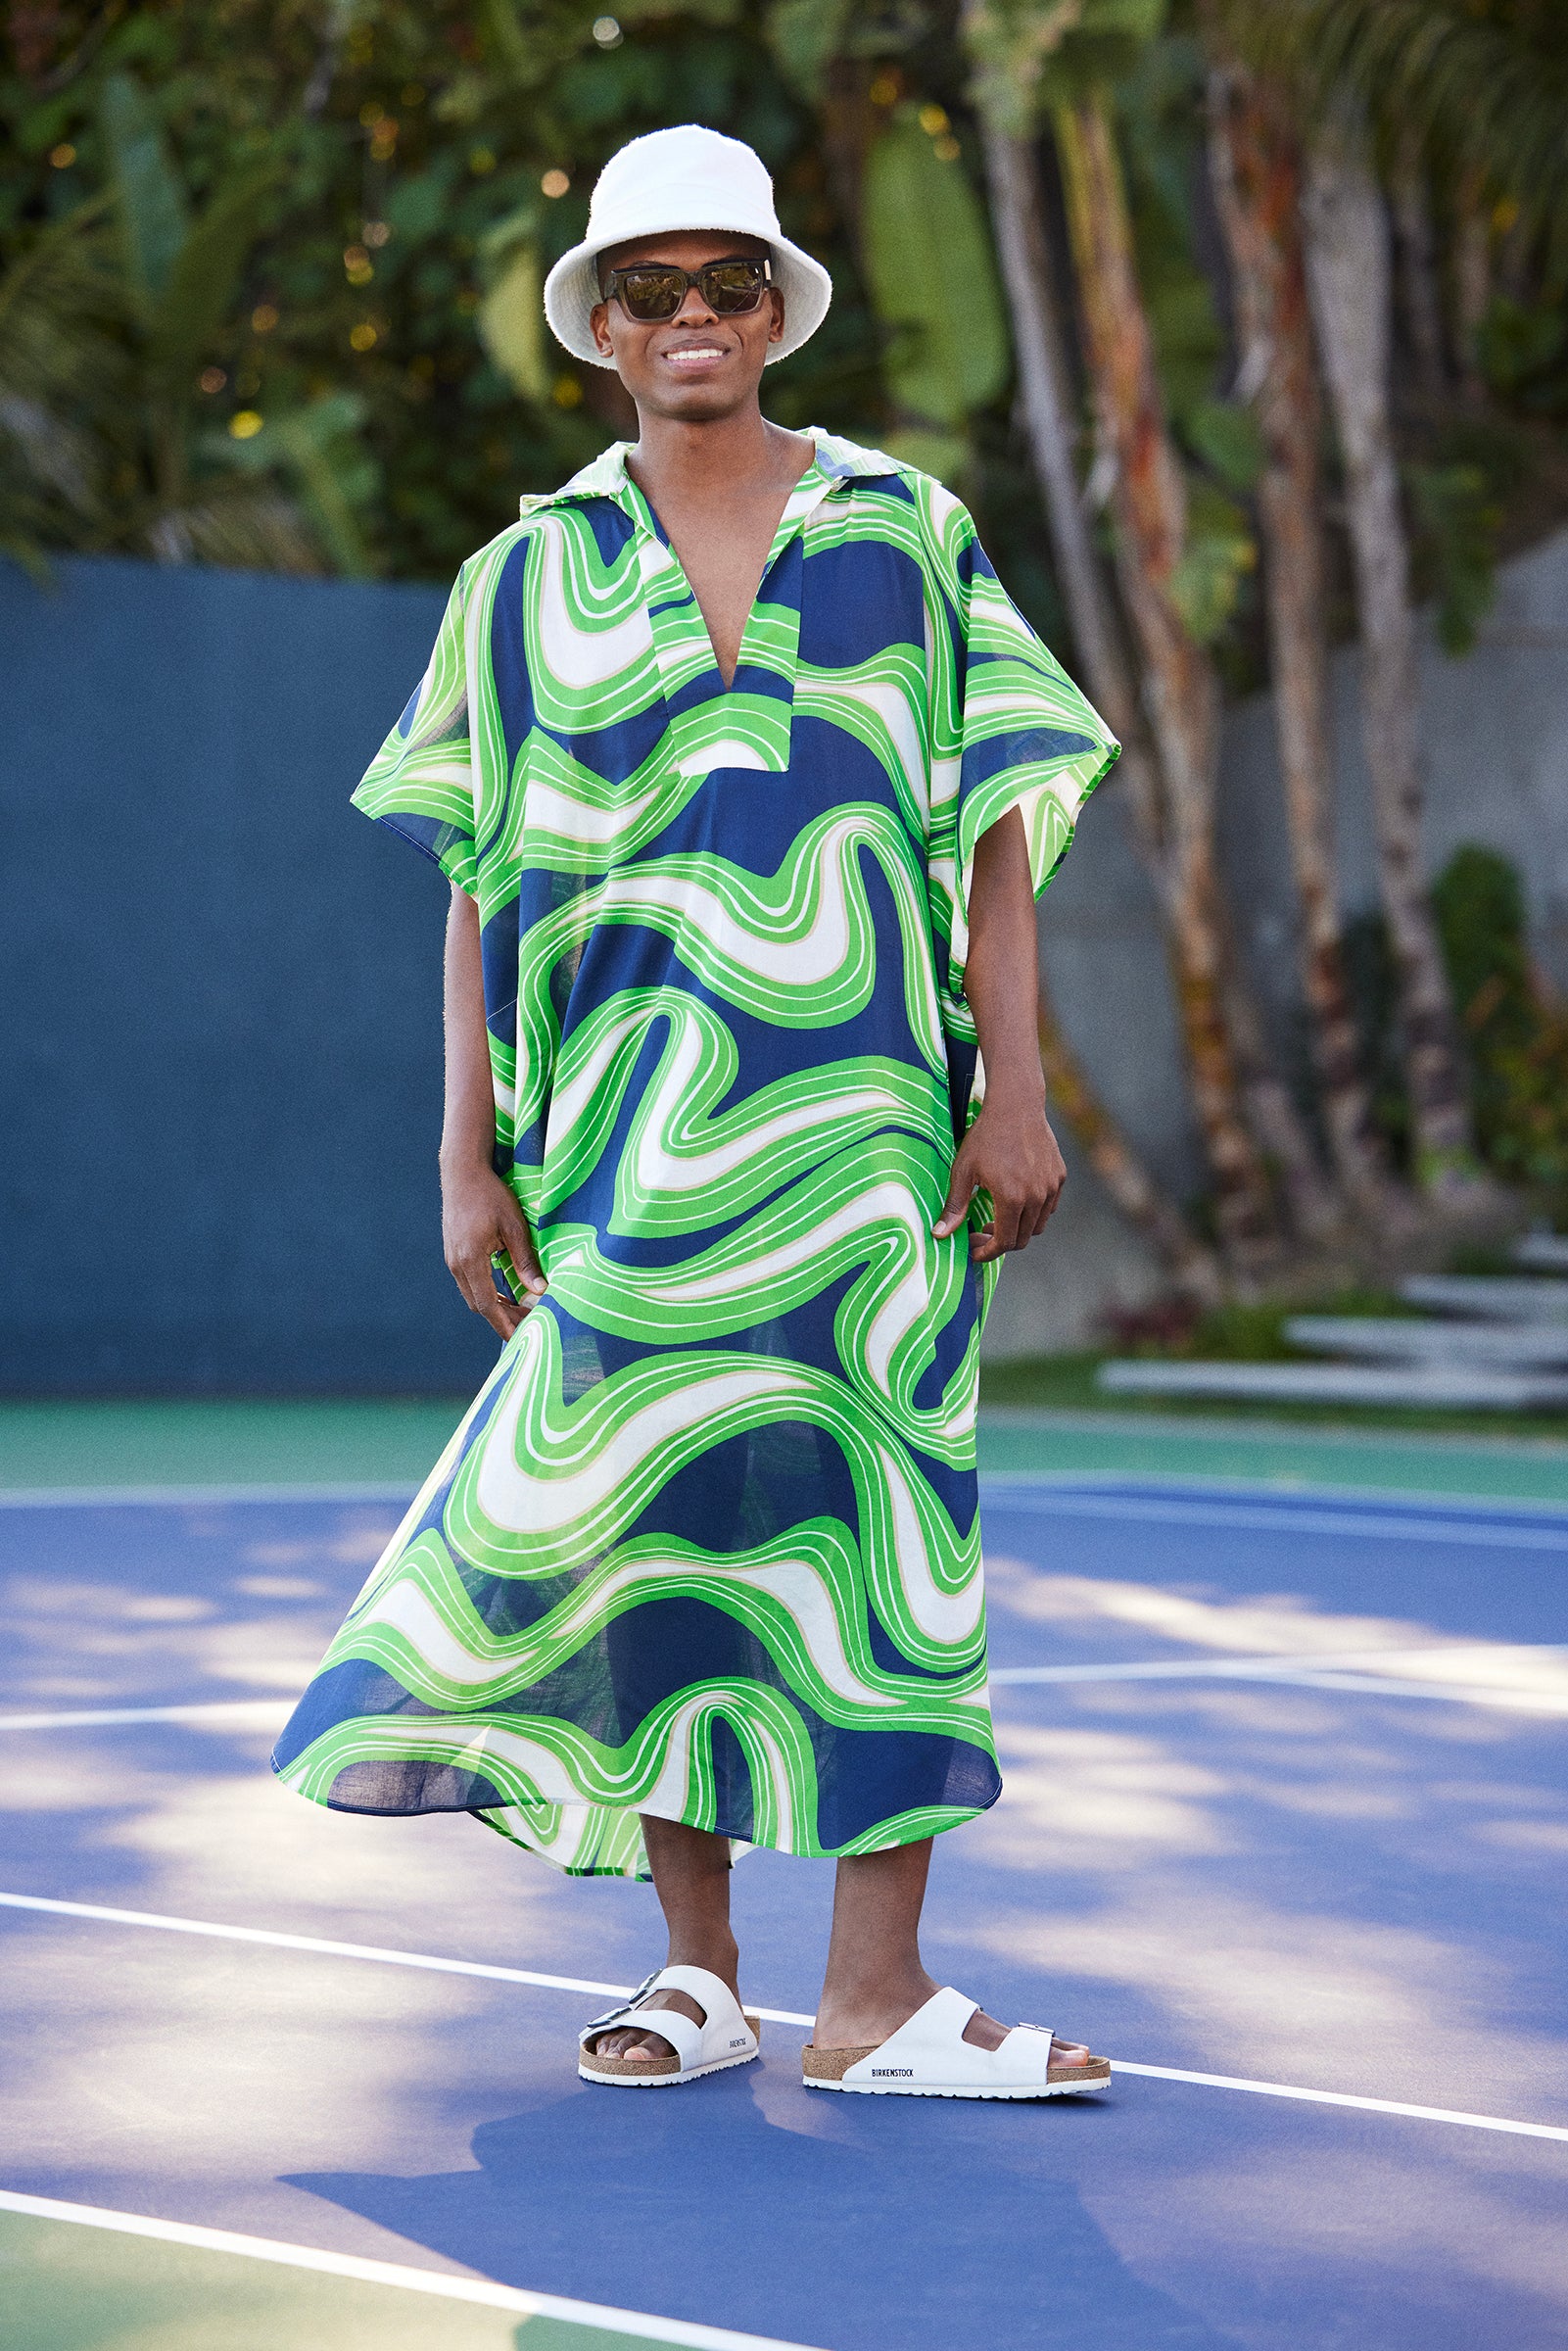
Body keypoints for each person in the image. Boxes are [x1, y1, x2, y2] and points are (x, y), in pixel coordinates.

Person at [273, 124, 1117, 2101]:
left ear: (773, 308)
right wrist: (465, 1157)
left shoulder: (909, 527)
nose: (689, 319)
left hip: (868, 1146)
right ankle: (701, 1969)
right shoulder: (521, 576)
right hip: (621, 1159)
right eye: (644, 289)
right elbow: (475, 878)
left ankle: (878, 1999)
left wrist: (1015, 1087)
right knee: (659, 1537)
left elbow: (991, 825)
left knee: (885, 1532)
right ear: (599, 324)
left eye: (723, 283)